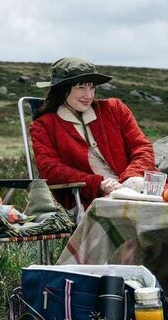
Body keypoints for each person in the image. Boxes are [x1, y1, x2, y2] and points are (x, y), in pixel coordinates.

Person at [29, 57, 159, 210]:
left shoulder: (115, 109)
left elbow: (142, 148)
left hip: (134, 185)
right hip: (89, 198)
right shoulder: (44, 125)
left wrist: (129, 178)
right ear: (62, 88)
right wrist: (98, 184)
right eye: (81, 87)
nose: (89, 95)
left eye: (92, 87)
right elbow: (50, 169)